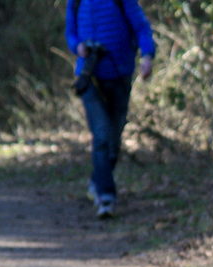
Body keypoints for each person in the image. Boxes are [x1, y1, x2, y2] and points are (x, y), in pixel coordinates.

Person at [65, 0, 156, 218]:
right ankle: (105, 196)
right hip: (89, 77)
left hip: (120, 75)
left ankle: (98, 180)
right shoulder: (75, 2)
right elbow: (70, 34)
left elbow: (141, 27)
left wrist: (147, 56)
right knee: (102, 135)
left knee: (114, 141)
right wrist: (78, 46)